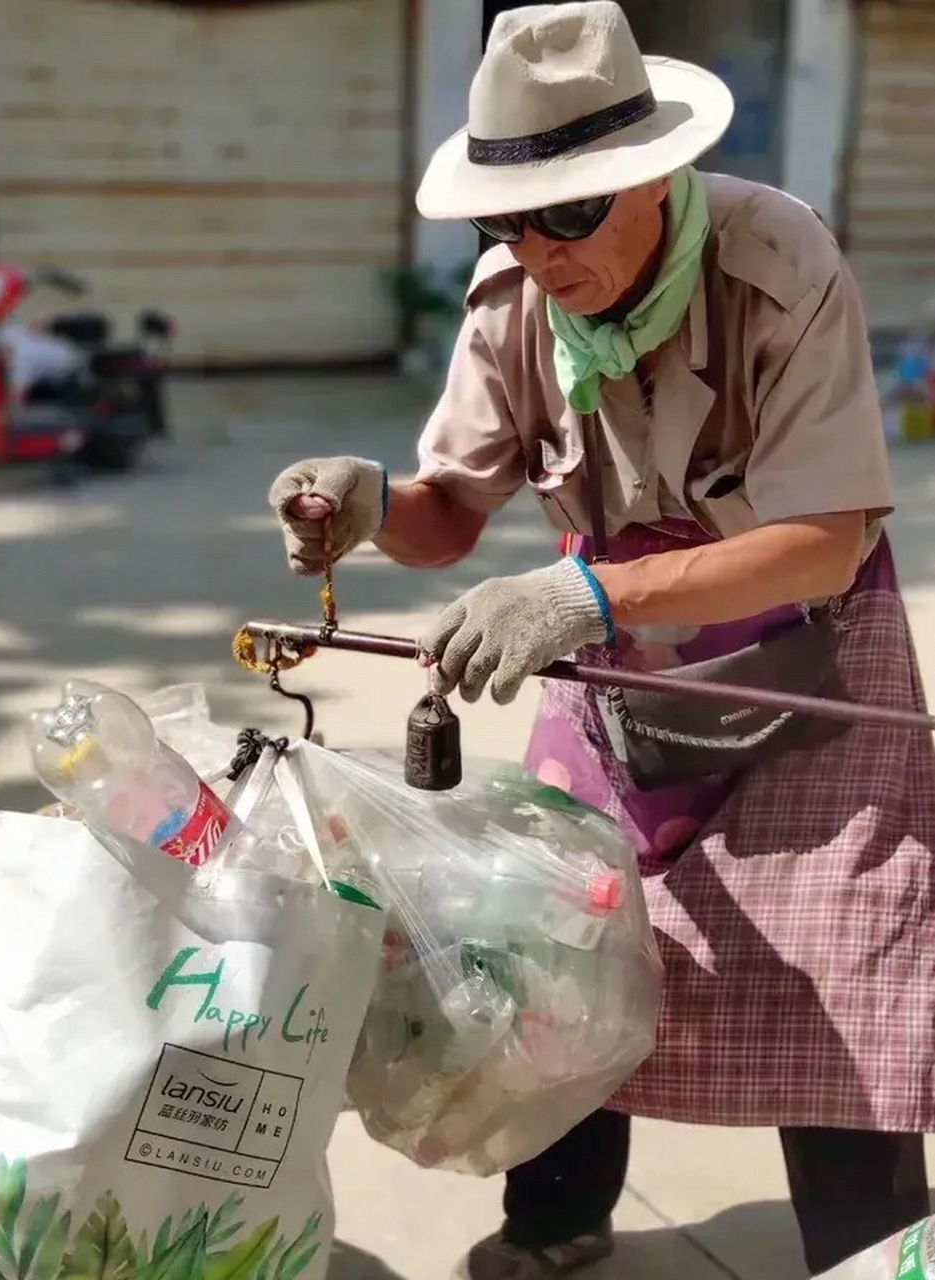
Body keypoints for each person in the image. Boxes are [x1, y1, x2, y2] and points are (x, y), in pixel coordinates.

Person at [269, 4, 935, 1277]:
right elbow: (450, 513)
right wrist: (365, 503)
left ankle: (874, 1255)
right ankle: (554, 1223)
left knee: (846, 965)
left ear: (654, 176)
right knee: (565, 943)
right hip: (616, 656)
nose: (537, 247)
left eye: (568, 214)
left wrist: (584, 596)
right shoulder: (516, 293)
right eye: (507, 220)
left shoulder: (780, 265)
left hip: (801, 643)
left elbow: (824, 540)